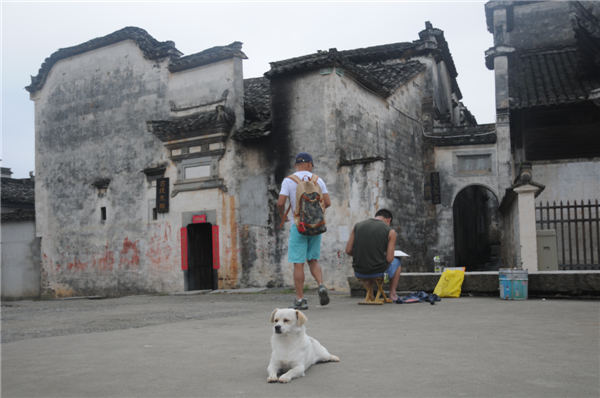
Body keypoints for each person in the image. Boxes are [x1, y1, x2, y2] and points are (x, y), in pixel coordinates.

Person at [277, 152, 331, 310]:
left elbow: (280, 203)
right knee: (313, 259)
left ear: (296, 165)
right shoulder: (318, 180)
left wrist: (283, 216)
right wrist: (315, 214)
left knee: (298, 263)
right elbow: (327, 202)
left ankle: (300, 299)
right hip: (316, 225)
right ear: (310, 164)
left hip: (299, 225)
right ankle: (321, 285)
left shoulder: (289, 180)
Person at [345, 209, 402, 302]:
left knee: (370, 263)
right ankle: (392, 293)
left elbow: (348, 250)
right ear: (388, 220)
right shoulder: (391, 231)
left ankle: (370, 294)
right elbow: (389, 259)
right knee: (397, 261)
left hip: (359, 271)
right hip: (378, 272)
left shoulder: (357, 226)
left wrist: (361, 254)